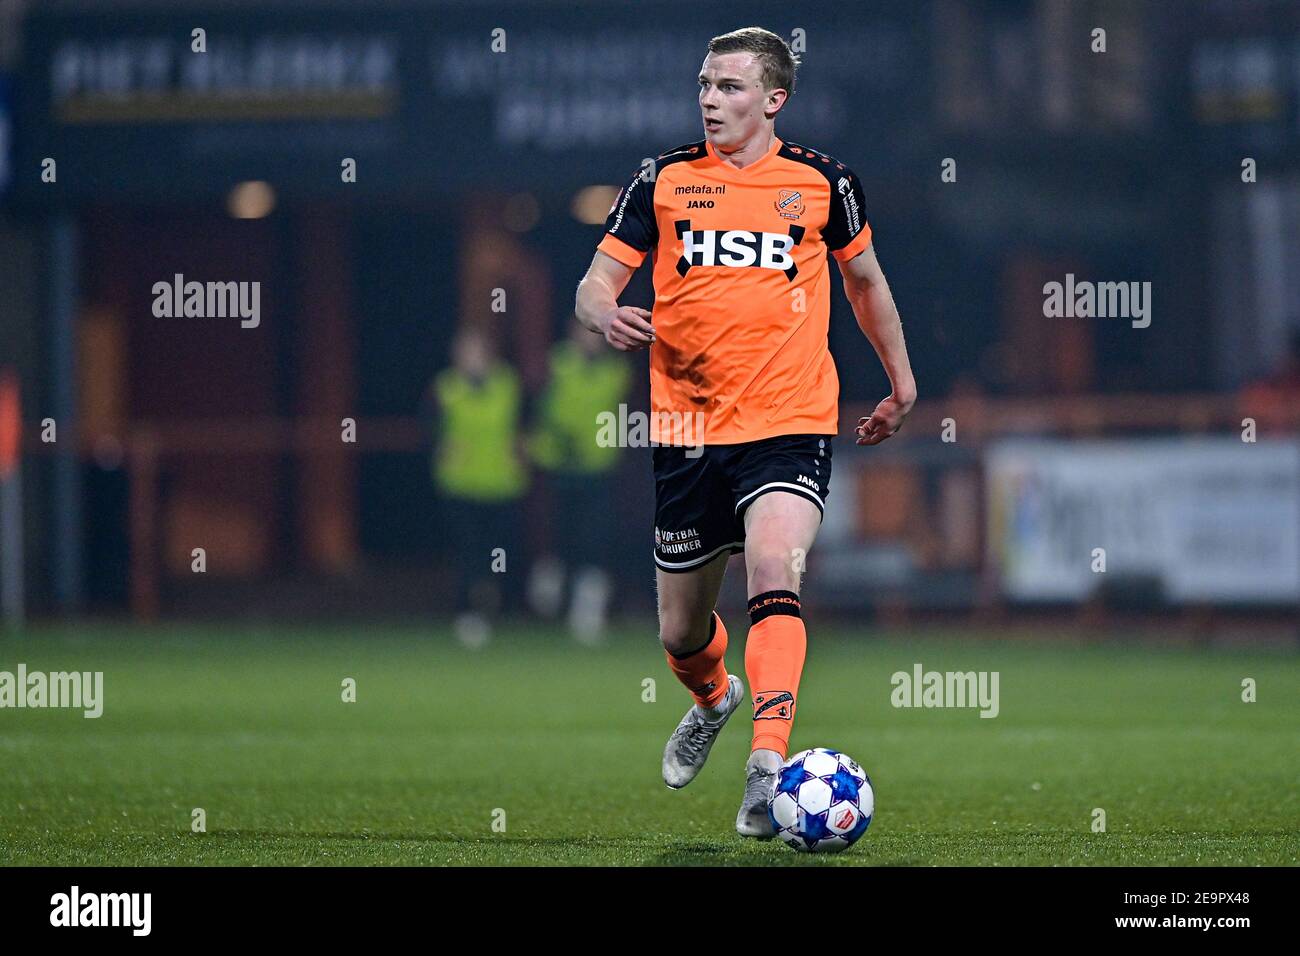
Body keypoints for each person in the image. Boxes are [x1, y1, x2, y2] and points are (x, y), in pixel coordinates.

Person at [574, 27, 916, 837]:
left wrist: (901, 383)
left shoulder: (823, 182)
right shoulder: (661, 180)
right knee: (681, 632)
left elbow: (865, 283)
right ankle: (714, 696)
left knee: (773, 566)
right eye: (704, 83)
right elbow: (596, 281)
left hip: (790, 420)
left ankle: (767, 768)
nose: (709, 99)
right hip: (687, 431)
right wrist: (600, 313)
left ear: (773, 99)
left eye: (728, 87)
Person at [528, 318, 632, 642]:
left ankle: (588, 611)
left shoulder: (616, 372)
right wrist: (554, 439)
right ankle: (548, 582)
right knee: (557, 531)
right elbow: (540, 407)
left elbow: (620, 416)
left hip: (598, 467)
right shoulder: (556, 363)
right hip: (559, 463)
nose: (588, 340)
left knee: (595, 537)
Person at [427, 326, 528, 647]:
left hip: (502, 484)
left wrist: (521, 451)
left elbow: (526, 424)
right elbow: (428, 431)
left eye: (476, 352)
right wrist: (442, 450)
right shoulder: (445, 388)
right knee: (468, 552)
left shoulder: (507, 384)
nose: (471, 359)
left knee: (499, 553)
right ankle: (467, 613)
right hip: (462, 486)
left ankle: (496, 608)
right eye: (464, 352)